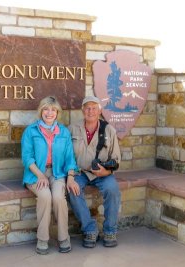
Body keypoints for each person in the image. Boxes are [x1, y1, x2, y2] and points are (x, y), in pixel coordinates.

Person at [21, 96, 79, 255]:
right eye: (46, 109)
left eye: (53, 110)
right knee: (45, 196)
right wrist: (40, 175)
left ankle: (63, 237)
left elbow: (69, 158)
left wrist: (71, 177)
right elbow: (27, 157)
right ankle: (42, 239)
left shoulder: (63, 132)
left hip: (57, 173)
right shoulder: (31, 131)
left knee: (59, 197)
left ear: (57, 112)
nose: (49, 113)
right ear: (41, 111)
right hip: (35, 174)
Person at [68, 95, 121, 248]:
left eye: (94, 108)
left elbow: (116, 158)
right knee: (73, 190)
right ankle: (90, 229)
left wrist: (106, 172)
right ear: (83, 110)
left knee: (113, 190)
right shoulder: (72, 128)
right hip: (80, 172)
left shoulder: (109, 129)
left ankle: (110, 230)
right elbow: (66, 154)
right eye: (87, 108)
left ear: (100, 110)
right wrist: (70, 175)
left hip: (103, 173)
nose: (90, 111)